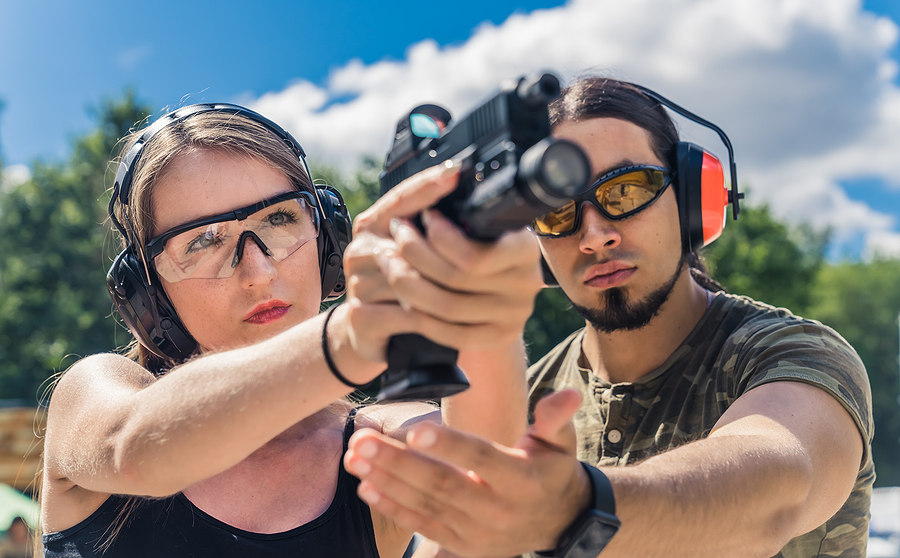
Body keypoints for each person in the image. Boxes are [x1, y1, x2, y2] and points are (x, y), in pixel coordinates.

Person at [343, 77, 874, 558]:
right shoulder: (524, 400)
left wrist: (574, 509)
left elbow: (780, 486)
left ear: (692, 197)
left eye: (627, 190)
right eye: (555, 210)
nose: (594, 236)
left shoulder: (793, 353)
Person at [39, 103, 542, 557]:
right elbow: (137, 449)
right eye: (202, 241)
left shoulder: (377, 444)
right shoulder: (96, 394)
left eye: (279, 218)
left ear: (326, 238)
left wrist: (486, 313)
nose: (257, 270)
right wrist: (347, 338)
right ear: (148, 296)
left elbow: (483, 497)